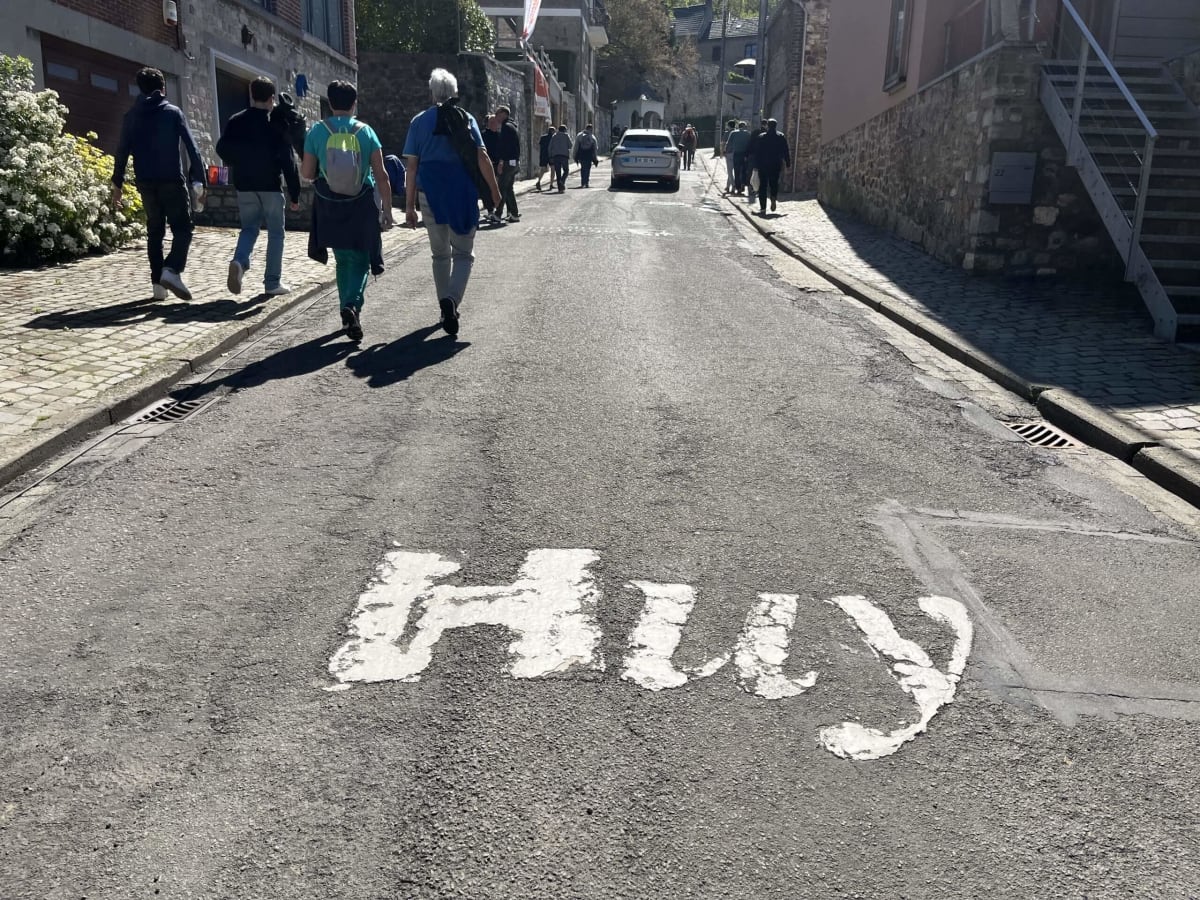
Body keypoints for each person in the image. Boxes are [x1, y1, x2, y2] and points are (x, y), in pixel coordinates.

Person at [402, 68, 501, 337]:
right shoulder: (465, 118)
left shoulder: (419, 121)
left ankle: (443, 300)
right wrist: (494, 190)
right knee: (464, 254)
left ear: (432, 92)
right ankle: (452, 301)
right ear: (455, 92)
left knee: (440, 253)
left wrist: (409, 206)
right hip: (462, 192)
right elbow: (482, 157)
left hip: (429, 192)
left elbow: (411, 168)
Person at [300, 80, 392, 342]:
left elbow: (307, 173)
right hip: (361, 202)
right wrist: (387, 210)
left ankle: (346, 309)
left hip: (330, 203)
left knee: (342, 260)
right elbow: (382, 175)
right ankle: (352, 306)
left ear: (330, 103)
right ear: (354, 103)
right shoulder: (366, 132)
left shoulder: (317, 131)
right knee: (362, 261)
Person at [111, 67, 206, 301]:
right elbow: (192, 149)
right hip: (171, 179)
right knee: (183, 229)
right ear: (162, 87)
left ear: (140, 88)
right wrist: (199, 180)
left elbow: (121, 152)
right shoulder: (173, 113)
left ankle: (158, 286)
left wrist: (117, 184)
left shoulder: (131, 116)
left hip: (145, 181)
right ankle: (172, 269)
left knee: (155, 231)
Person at [216, 76, 301, 297]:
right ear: (272, 98)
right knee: (276, 234)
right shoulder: (276, 123)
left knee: (249, 228)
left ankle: (240, 261)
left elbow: (222, 148)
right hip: (271, 185)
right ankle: (272, 283)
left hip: (244, 184)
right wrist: (295, 192)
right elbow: (288, 160)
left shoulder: (236, 120)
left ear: (251, 95)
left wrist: (240, 161)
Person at [753, 118, 791, 214]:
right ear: (776, 125)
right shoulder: (781, 136)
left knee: (763, 186)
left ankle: (763, 208)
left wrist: (755, 165)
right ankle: (773, 198)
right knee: (774, 183)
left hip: (763, 164)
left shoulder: (761, 137)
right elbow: (785, 150)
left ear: (768, 125)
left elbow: (757, 152)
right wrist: (788, 162)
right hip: (776, 164)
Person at [494, 105, 521, 221]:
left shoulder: (506, 127)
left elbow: (504, 147)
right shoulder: (513, 126)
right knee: (508, 188)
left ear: (504, 114)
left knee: (502, 188)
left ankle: (498, 214)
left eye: (498, 114)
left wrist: (501, 161)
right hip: (514, 162)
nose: (496, 117)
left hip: (508, 162)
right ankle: (514, 213)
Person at [724, 121, 750, 196]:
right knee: (744, 171)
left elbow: (728, 144)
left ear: (738, 126)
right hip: (745, 154)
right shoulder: (748, 134)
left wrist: (726, 152)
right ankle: (742, 184)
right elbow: (750, 144)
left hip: (736, 154)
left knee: (737, 171)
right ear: (745, 127)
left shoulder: (733, 133)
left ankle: (738, 188)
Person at [745, 121, 768, 205]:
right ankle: (759, 189)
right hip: (763, 156)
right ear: (766, 125)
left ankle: (751, 187)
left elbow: (750, 143)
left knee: (751, 171)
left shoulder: (755, 132)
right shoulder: (767, 133)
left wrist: (746, 154)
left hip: (753, 155)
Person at [572, 123, 599, 188]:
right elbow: (595, 148)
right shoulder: (592, 137)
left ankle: (582, 182)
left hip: (582, 154)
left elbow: (576, 146)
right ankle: (586, 182)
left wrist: (574, 155)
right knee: (588, 169)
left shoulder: (579, 135)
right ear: (591, 129)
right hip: (589, 155)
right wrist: (595, 157)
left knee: (583, 168)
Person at [549, 125, 572, 193]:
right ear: (564, 130)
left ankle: (560, 188)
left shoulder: (554, 136)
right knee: (566, 170)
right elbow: (570, 145)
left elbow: (550, 147)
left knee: (558, 172)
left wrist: (550, 156)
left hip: (556, 156)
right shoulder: (566, 136)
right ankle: (562, 181)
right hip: (564, 156)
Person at [535, 124, 554, 191]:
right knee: (553, 169)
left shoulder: (543, 137)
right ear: (553, 131)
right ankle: (551, 184)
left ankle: (538, 181)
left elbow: (540, 145)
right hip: (551, 155)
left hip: (543, 155)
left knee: (543, 169)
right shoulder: (553, 138)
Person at [721, 119, 737, 194]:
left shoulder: (727, 133)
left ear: (728, 125)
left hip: (729, 153)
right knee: (732, 171)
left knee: (729, 171)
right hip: (737, 153)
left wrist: (722, 153)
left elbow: (723, 143)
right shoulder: (737, 132)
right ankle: (727, 186)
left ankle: (733, 186)